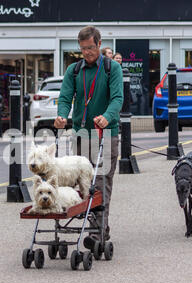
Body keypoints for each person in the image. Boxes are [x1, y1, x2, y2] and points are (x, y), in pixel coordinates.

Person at [54, 26, 123, 244]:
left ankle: (96, 233)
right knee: (83, 185)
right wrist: (62, 116)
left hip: (106, 134)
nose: (87, 53)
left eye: (91, 48)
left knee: (101, 184)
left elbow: (117, 99)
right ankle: (96, 227)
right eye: (83, 49)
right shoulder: (74, 70)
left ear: (99, 45)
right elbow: (65, 98)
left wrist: (107, 116)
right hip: (81, 135)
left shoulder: (112, 69)